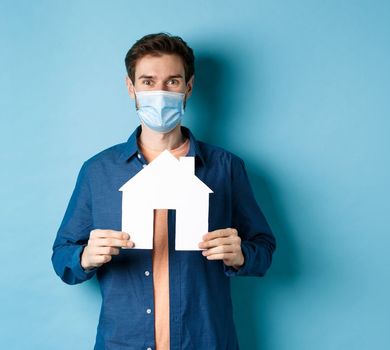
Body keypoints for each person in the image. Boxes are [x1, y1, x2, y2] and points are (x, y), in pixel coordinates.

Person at [51, 33, 276, 350]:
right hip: (123, 342)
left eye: (172, 81)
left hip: (206, 341)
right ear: (131, 88)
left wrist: (241, 255)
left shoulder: (226, 168)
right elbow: (62, 256)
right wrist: (85, 256)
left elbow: (264, 249)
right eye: (147, 81)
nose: (160, 92)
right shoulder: (98, 171)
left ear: (189, 87)